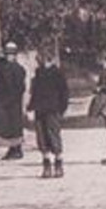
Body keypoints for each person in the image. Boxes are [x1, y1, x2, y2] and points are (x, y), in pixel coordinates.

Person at [0, 41, 29, 159]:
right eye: (7, 54)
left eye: (11, 54)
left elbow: (21, 88)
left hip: (12, 103)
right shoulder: (3, 64)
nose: (8, 56)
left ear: (15, 55)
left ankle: (17, 149)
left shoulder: (19, 69)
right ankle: (13, 149)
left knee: (14, 127)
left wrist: (13, 100)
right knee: (5, 127)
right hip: (3, 102)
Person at [27, 51, 69, 179]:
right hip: (40, 110)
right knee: (41, 137)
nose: (38, 61)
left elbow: (64, 93)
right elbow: (35, 92)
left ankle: (58, 164)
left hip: (52, 109)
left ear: (46, 59)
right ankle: (46, 166)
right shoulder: (38, 73)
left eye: (39, 59)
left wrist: (62, 109)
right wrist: (31, 107)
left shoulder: (57, 73)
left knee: (53, 135)